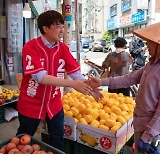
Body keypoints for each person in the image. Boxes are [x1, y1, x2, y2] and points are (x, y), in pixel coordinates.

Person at [88, 19, 160, 154]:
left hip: (155, 132)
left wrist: (147, 137)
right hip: (140, 125)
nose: (147, 45)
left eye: (150, 41)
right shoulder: (152, 64)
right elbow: (129, 79)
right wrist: (102, 82)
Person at [16, 10, 101, 151]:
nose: (62, 30)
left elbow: (75, 73)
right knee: (23, 141)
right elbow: (40, 77)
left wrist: (90, 88)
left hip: (54, 104)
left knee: (57, 140)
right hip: (31, 104)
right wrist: (73, 84)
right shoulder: (30, 47)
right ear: (46, 28)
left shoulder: (63, 48)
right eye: (58, 27)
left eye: (63, 26)